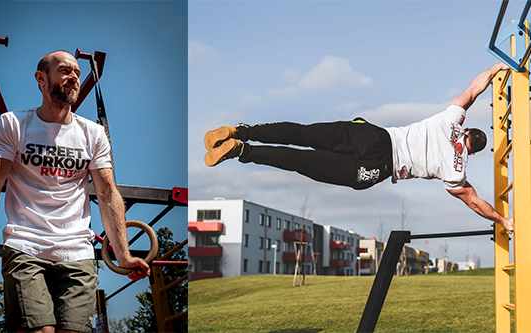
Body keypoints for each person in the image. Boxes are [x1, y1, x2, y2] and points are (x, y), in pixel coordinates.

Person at [0, 50, 149, 333]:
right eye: (65, 71)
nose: (74, 77)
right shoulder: (13, 124)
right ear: (41, 79)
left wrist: (124, 255)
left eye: (77, 73)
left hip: (77, 250)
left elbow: (107, 194)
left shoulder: (93, 134)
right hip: (25, 245)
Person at [204, 62, 515, 233]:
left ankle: (240, 131)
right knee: (300, 161)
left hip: (376, 138)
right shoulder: (457, 171)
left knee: (303, 134)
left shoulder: (450, 120)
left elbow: (473, 91)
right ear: (471, 151)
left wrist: (493, 70)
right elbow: (475, 203)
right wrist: (504, 221)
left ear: (466, 130)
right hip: (376, 170)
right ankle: (239, 151)